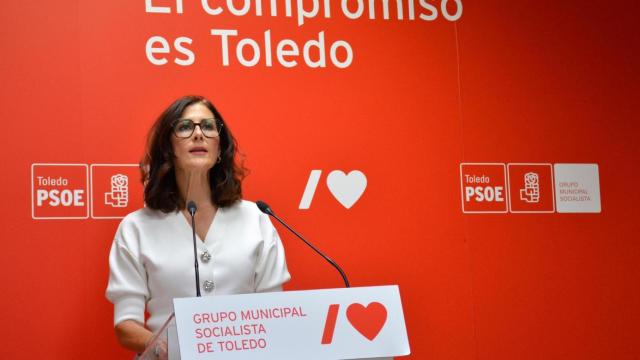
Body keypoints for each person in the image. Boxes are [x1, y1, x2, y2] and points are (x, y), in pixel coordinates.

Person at [105, 95, 290, 354]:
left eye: (208, 126)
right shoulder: (136, 227)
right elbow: (126, 324)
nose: (198, 134)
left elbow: (275, 312)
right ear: (168, 148)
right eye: (184, 127)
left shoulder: (256, 218)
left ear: (219, 147)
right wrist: (164, 348)